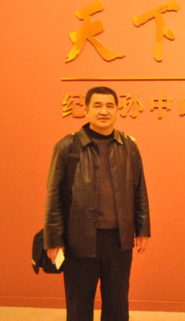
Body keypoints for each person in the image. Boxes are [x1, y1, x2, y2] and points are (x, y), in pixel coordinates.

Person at [44, 86, 151, 321]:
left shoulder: (129, 146)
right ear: (86, 110)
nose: (104, 111)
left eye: (110, 106)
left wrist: (142, 229)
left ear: (117, 110)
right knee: (79, 307)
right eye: (97, 105)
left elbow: (139, 189)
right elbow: (54, 196)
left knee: (117, 305)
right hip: (79, 240)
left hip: (118, 241)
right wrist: (53, 240)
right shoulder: (67, 146)